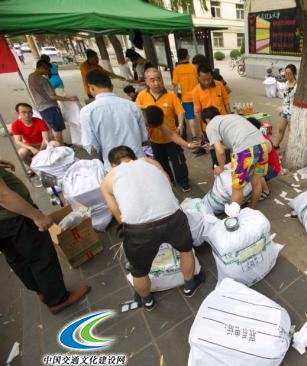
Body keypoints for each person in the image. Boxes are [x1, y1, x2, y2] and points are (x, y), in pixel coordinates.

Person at [100, 146, 204, 310]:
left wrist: (130, 231)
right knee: (186, 250)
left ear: (113, 164)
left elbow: (116, 212)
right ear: (133, 158)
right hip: (173, 218)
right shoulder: (151, 162)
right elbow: (167, 185)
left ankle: (147, 300)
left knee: (139, 271)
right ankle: (189, 285)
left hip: (139, 229)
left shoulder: (108, 179)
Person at [0, 159, 90, 314]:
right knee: (40, 255)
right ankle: (57, 299)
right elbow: (3, 195)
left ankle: (42, 290)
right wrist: (37, 216)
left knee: (16, 256)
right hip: (13, 219)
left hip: (5, 225)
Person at [135, 68, 192, 192]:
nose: (156, 83)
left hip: (172, 137)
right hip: (154, 139)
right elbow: (137, 113)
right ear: (146, 82)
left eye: (159, 79)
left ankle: (183, 182)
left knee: (179, 162)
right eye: (152, 80)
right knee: (161, 162)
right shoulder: (141, 96)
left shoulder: (170, 95)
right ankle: (169, 179)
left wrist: (180, 124)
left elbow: (180, 111)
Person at [202, 107, 271, 208]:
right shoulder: (232, 117)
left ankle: (232, 219)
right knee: (256, 181)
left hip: (245, 153)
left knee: (237, 189)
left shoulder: (210, 125)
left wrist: (220, 168)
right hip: (262, 147)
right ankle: (251, 209)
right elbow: (234, 141)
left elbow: (220, 152)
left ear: (207, 120)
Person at [80, 70, 148, 171]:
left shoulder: (87, 112)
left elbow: (91, 147)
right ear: (111, 86)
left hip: (113, 167)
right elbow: (144, 137)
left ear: (91, 88)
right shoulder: (132, 106)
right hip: (138, 162)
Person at [28, 60, 78, 145]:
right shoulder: (43, 80)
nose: (48, 72)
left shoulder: (31, 76)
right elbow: (52, 96)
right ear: (42, 68)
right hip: (50, 107)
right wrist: (69, 98)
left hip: (41, 107)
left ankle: (59, 144)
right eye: (47, 69)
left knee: (51, 127)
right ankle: (60, 146)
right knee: (57, 128)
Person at [10, 103, 59, 175]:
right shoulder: (15, 124)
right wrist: (31, 148)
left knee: (56, 144)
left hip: (43, 144)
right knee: (21, 152)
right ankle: (32, 167)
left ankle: (55, 162)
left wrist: (40, 151)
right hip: (30, 145)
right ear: (18, 113)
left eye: (29, 112)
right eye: (23, 112)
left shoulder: (39, 121)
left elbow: (45, 139)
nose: (27, 115)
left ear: (32, 113)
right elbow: (18, 141)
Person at [191, 64, 231, 140]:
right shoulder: (195, 91)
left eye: (208, 79)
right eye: (203, 80)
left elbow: (226, 103)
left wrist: (230, 119)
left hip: (223, 124)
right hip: (208, 126)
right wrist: (199, 130)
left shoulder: (219, 85)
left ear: (212, 76)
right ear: (198, 78)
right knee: (214, 149)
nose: (206, 82)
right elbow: (197, 112)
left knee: (227, 148)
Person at [247, 117, 281, 200]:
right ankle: (261, 182)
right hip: (266, 164)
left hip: (272, 168)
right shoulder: (254, 137)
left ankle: (266, 191)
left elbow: (259, 161)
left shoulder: (262, 141)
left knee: (254, 168)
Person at [172, 48, 198, 135]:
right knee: (198, 115)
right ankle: (202, 133)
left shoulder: (177, 69)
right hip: (197, 96)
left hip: (185, 98)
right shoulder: (194, 67)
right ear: (187, 56)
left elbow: (175, 85)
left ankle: (194, 137)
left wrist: (175, 98)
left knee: (190, 117)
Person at [271, 64, 297, 150]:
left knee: (291, 133)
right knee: (280, 129)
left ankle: (291, 150)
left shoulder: (297, 85)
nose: (287, 75)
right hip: (285, 111)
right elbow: (285, 98)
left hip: (293, 112)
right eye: (286, 73)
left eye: (289, 73)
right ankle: (276, 146)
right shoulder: (286, 83)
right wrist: (281, 108)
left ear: (294, 74)